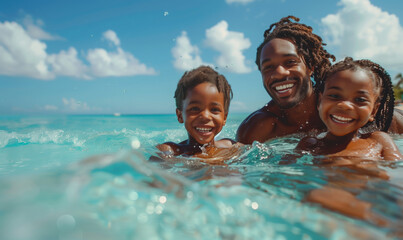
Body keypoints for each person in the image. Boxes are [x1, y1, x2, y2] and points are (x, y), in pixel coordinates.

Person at [237, 16, 403, 144]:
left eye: (290, 62)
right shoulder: (256, 129)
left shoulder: (353, 110)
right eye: (268, 67)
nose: (279, 73)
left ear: (311, 67)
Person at [296, 57, 402, 160]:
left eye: (360, 99)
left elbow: (397, 170)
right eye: (335, 96)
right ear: (320, 101)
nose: (345, 105)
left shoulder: (379, 141)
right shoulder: (309, 145)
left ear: (373, 111)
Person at [157, 66, 238, 159]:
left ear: (224, 117)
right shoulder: (170, 152)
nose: (205, 116)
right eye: (195, 109)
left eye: (214, 109)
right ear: (180, 115)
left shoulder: (232, 148)